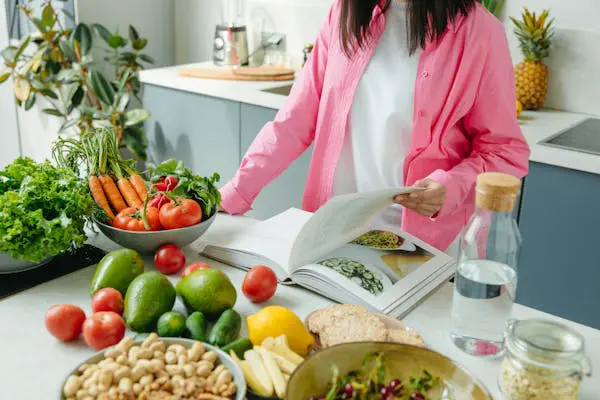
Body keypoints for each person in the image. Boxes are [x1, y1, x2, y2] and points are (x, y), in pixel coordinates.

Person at [219, 0, 530, 252]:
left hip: (421, 250)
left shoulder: (479, 31)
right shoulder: (346, 12)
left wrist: (450, 188)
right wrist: (233, 194)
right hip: (333, 234)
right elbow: (294, 121)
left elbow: (505, 153)